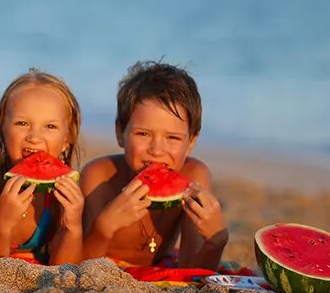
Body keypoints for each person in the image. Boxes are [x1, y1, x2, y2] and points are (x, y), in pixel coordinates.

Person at [80, 61, 228, 268]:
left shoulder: (194, 176)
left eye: (173, 138)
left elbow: (191, 270)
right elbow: (79, 265)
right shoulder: (98, 177)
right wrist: (104, 228)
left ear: (191, 142)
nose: (157, 150)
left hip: (162, 266)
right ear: (120, 133)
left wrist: (216, 243)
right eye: (143, 134)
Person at [0, 70, 85, 264]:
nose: (34, 137)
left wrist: (73, 226)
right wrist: (3, 223)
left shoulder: (64, 190)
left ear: (67, 139)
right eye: (22, 123)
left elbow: (64, 268)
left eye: (50, 126)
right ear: (2, 129)